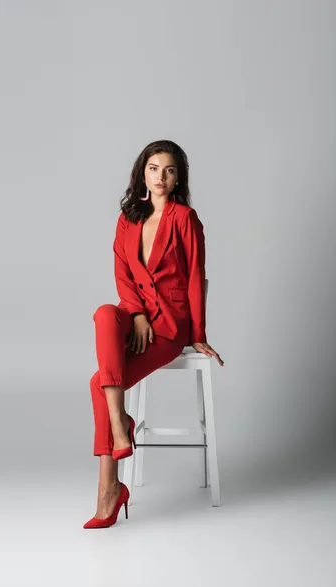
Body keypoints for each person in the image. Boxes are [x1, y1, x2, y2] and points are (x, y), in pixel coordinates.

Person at [83, 139, 224, 529]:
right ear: (141, 173)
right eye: (153, 168)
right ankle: (118, 422)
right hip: (136, 314)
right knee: (103, 314)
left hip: (169, 323)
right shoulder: (128, 217)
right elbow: (122, 274)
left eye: (169, 170)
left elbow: (195, 276)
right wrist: (138, 314)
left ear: (178, 177)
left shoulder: (185, 218)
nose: (160, 177)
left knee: (100, 383)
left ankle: (108, 488)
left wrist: (198, 332)